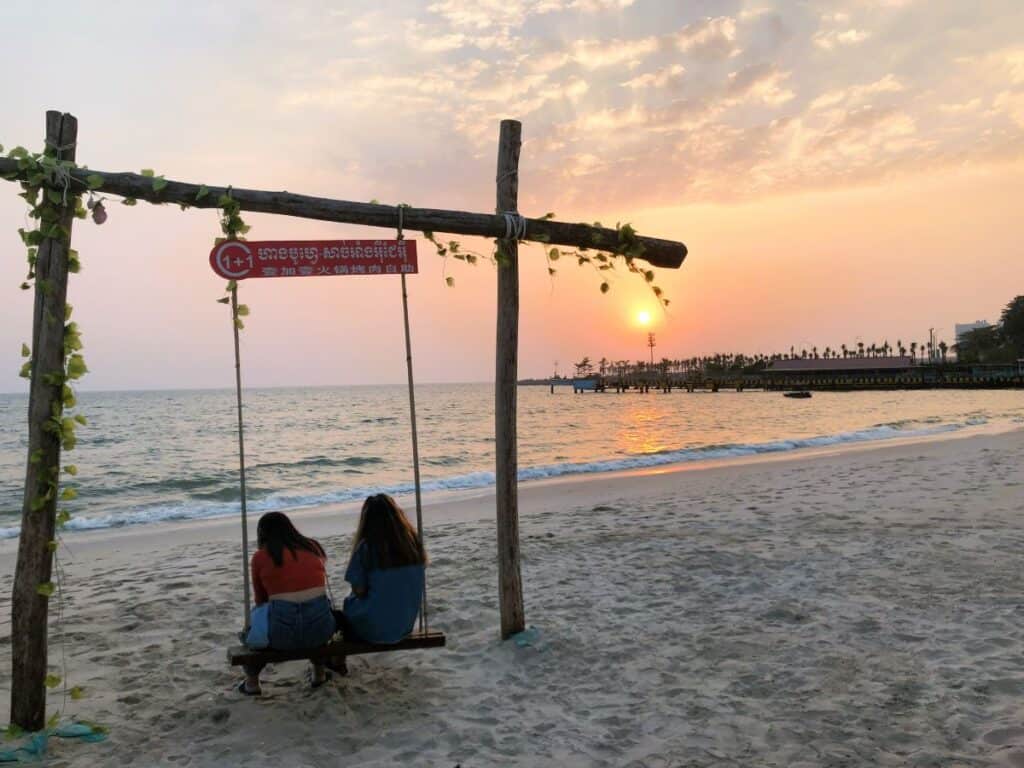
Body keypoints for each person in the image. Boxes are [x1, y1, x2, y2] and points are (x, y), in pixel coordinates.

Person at [239, 512, 336, 695]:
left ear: (263, 533)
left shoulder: (260, 557)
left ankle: (252, 682)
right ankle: (319, 673)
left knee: (254, 628)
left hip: (281, 636)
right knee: (314, 611)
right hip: (320, 631)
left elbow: (260, 601)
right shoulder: (313, 547)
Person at [337, 494, 427, 645]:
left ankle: (336, 661)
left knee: (346, 607)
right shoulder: (412, 545)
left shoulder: (367, 547)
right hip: (404, 626)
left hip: (374, 631)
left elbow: (359, 590)